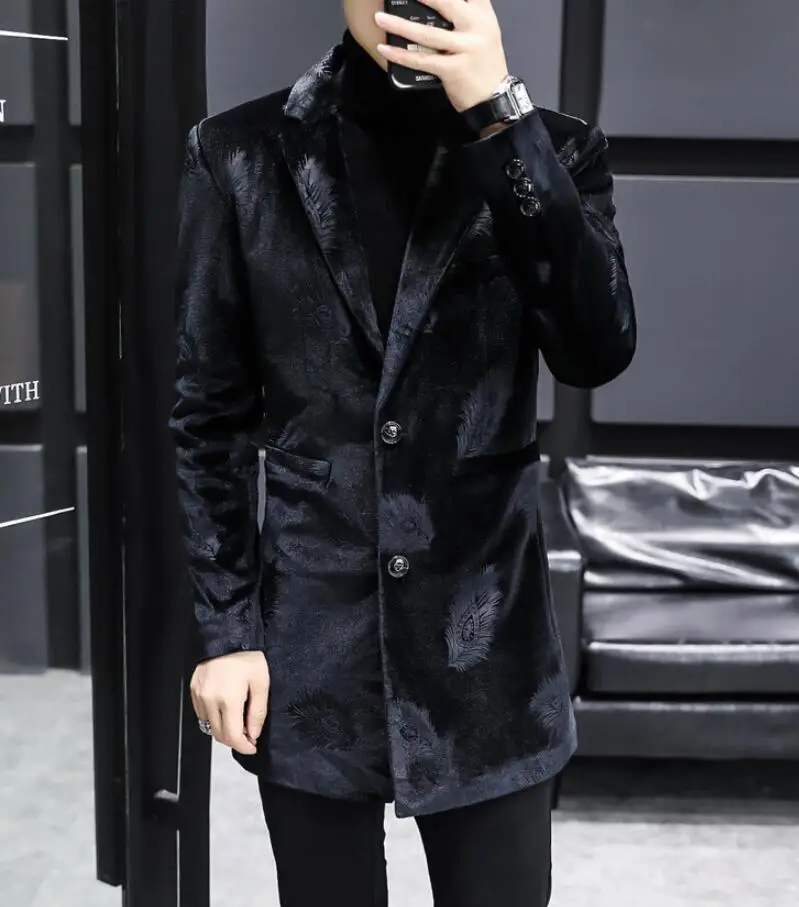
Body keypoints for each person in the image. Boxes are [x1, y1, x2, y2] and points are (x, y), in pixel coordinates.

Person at [169, 0, 636, 904]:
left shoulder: (556, 149)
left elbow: (596, 349)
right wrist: (227, 632)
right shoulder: (239, 152)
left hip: (487, 649)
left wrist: (499, 117)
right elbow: (207, 416)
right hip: (308, 641)